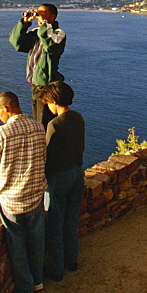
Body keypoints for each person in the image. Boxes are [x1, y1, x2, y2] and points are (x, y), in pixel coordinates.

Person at [0, 91, 47, 293]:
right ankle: (38, 281)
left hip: (13, 200)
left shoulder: (2, 133)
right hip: (36, 194)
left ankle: (25, 292)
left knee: (17, 246)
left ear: (7, 108)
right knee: (36, 240)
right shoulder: (39, 127)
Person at [40, 81, 85, 282]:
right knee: (71, 219)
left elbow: (48, 157)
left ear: (54, 101)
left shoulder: (54, 125)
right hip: (77, 172)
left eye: (48, 102)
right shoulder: (78, 118)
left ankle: (56, 269)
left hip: (59, 177)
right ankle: (72, 260)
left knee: (55, 225)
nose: (47, 106)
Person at [10, 4, 67, 127]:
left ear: (53, 16)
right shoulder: (37, 33)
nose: (39, 16)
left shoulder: (59, 34)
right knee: (38, 119)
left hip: (48, 86)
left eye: (43, 13)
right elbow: (17, 44)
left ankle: (46, 144)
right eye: (38, 13)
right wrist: (24, 23)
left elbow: (51, 47)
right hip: (36, 85)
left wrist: (44, 25)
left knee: (43, 123)